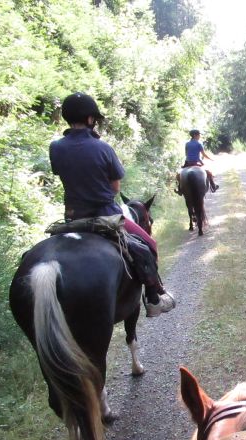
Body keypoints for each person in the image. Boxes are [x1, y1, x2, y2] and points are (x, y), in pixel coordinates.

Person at [49, 92, 176, 317]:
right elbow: (116, 188)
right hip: (105, 214)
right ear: (90, 119)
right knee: (149, 244)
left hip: (72, 218)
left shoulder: (56, 147)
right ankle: (153, 297)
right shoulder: (103, 148)